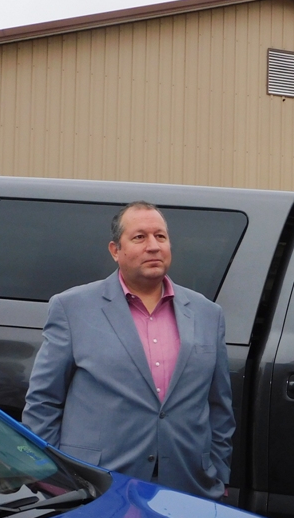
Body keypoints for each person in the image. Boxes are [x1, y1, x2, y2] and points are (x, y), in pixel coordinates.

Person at [23, 201, 235, 500]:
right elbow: (44, 400)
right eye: (139, 237)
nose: (153, 246)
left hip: (187, 484)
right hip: (97, 484)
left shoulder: (207, 313)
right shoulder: (72, 308)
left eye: (160, 236)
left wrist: (218, 472)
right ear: (115, 250)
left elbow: (220, 406)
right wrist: (52, 476)